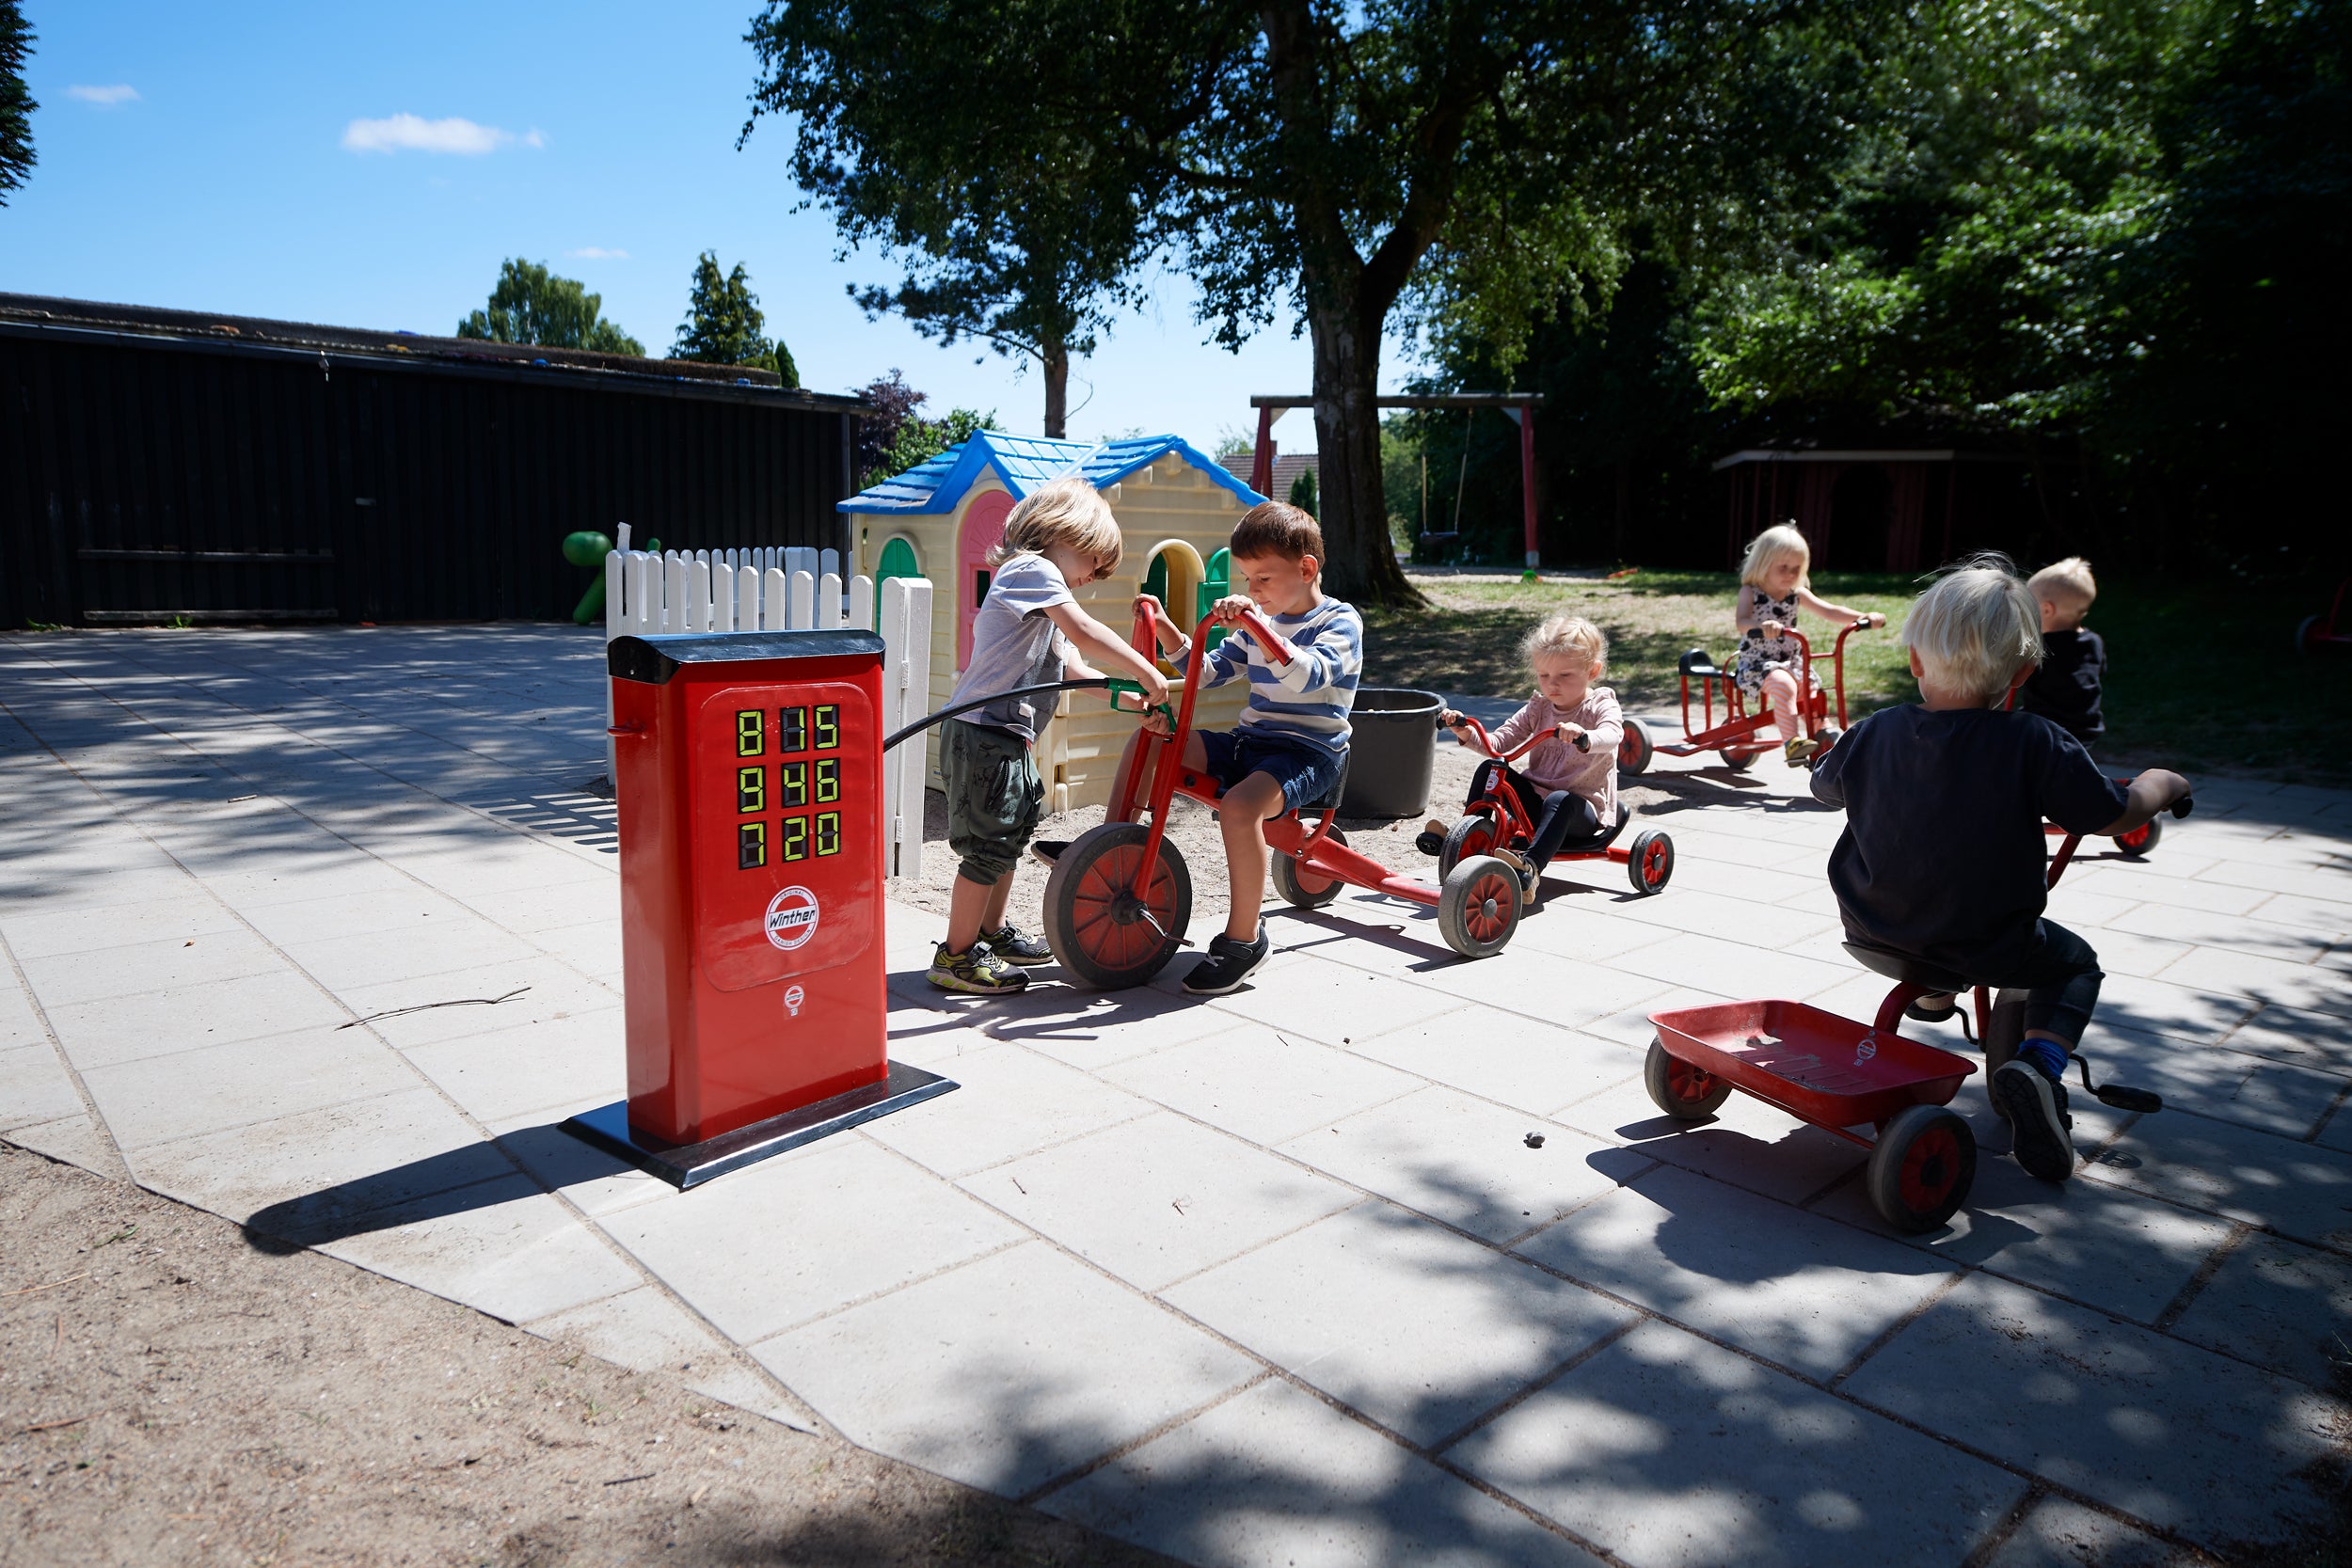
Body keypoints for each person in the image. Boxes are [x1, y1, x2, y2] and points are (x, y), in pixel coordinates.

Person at [1809, 554, 2190, 1182]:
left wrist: (1836, 753)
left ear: (1914, 661)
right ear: (2021, 671)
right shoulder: (2035, 741)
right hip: (1986, 941)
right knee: (2070, 963)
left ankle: (1932, 994)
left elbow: (1824, 788)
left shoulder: (1874, 732)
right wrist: (2163, 782)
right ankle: (2037, 1063)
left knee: (1937, 903)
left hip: (1872, 929)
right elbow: (2113, 814)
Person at [1041, 500, 1361, 996]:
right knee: (1152, 739)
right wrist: (1170, 628)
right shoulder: (1264, 619)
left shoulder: (1339, 623)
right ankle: (1111, 848)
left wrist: (1255, 624)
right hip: (1251, 742)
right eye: (1248, 579)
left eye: (1263, 578)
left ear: (1306, 569)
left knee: (1238, 808)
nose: (1253, 590)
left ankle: (1244, 940)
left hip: (1310, 753)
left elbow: (1306, 676)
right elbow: (1207, 671)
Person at [927, 479, 1169, 994]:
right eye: (1094, 564)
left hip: (1007, 737)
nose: (1092, 579)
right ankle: (956, 956)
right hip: (982, 732)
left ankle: (991, 934)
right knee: (988, 849)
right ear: (1067, 533)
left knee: (1009, 839)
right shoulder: (1029, 571)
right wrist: (1148, 672)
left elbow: (1073, 669)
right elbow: (1085, 631)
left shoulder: (1044, 597)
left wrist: (1127, 700)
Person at [1418, 615, 1622, 890]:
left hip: (1580, 812)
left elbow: (1613, 734)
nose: (1553, 684)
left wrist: (1585, 737)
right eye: (1544, 675)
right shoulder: (1539, 708)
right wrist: (1465, 731)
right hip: (1536, 804)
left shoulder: (1600, 704)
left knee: (1561, 800)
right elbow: (1499, 742)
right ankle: (1469, 833)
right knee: (1491, 768)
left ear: (1592, 672)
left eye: (1564, 675)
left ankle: (1530, 868)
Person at [1730, 524, 1885, 764]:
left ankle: (1823, 731)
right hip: (1758, 663)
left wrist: (1862, 617)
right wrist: (1762, 626)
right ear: (1763, 563)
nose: (1790, 574)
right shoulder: (1750, 592)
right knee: (1785, 687)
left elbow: (1830, 611)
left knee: (1812, 692)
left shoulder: (1796, 593)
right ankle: (1792, 743)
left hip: (1791, 662)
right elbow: (1741, 621)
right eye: (1783, 567)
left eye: (1796, 568)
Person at [2016, 556, 2106, 749]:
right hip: (2085, 730)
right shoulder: (2094, 642)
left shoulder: (2040, 647)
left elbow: (2015, 675)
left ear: (2047, 610)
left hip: (2044, 729)